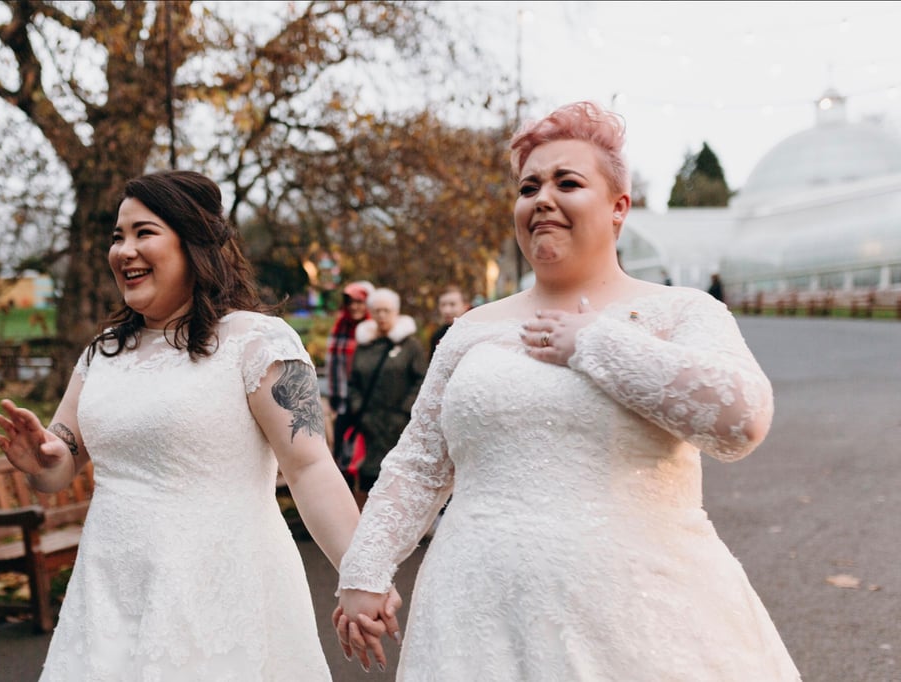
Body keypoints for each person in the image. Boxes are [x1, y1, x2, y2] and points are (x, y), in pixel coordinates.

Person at [333, 102, 801, 680]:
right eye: (529, 187)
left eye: (568, 182)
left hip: (640, 615)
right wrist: (364, 570)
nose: (542, 199)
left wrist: (596, 346)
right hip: (475, 615)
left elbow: (740, 421)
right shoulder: (470, 332)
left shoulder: (681, 312)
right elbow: (420, 463)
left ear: (618, 208)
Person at [0, 170, 371, 680]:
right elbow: (60, 461)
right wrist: (41, 459)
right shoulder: (103, 353)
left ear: (194, 243)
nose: (124, 250)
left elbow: (309, 469)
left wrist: (362, 574)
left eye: (144, 232)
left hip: (218, 590)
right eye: (117, 237)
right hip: (110, 589)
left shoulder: (256, 342)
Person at [346, 287, 427, 509]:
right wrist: (358, 408)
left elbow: (422, 380)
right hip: (369, 424)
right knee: (369, 478)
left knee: (400, 475)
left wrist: (405, 411)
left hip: (399, 425)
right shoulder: (364, 345)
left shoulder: (411, 346)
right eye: (377, 310)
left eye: (386, 310)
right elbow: (353, 382)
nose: (381, 315)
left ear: (396, 312)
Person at [326, 280, 374, 477]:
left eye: (359, 302)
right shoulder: (340, 328)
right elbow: (333, 365)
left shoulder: (373, 329)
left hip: (367, 400)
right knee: (341, 451)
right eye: (351, 302)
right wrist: (334, 398)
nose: (355, 307)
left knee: (368, 454)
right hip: (343, 399)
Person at [428, 284, 471, 360]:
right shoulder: (437, 336)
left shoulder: (473, 332)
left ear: (465, 306)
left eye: (452, 304)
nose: (447, 310)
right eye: (443, 305)